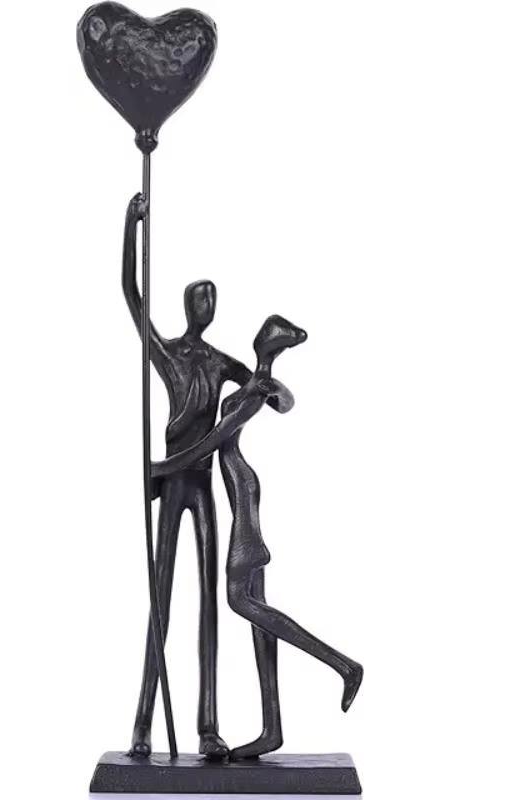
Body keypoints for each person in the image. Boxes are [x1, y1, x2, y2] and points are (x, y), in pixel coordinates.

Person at [152, 315, 364, 760]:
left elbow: (211, 443)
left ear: (267, 345)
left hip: (244, 517)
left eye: (267, 335)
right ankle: (273, 729)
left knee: (241, 603)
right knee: (259, 622)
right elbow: (284, 401)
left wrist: (158, 469)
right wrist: (269, 384)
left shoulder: (249, 395)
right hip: (246, 499)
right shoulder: (255, 386)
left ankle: (343, 665)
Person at [122, 193, 274, 760]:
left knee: (209, 603)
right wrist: (132, 227)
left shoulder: (219, 362)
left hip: (203, 486)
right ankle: (142, 723)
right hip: (175, 488)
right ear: (189, 305)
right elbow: (131, 294)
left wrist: (271, 382)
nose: (206, 305)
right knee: (161, 600)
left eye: (212, 298)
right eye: (199, 297)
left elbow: (268, 392)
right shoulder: (171, 355)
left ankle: (207, 726)